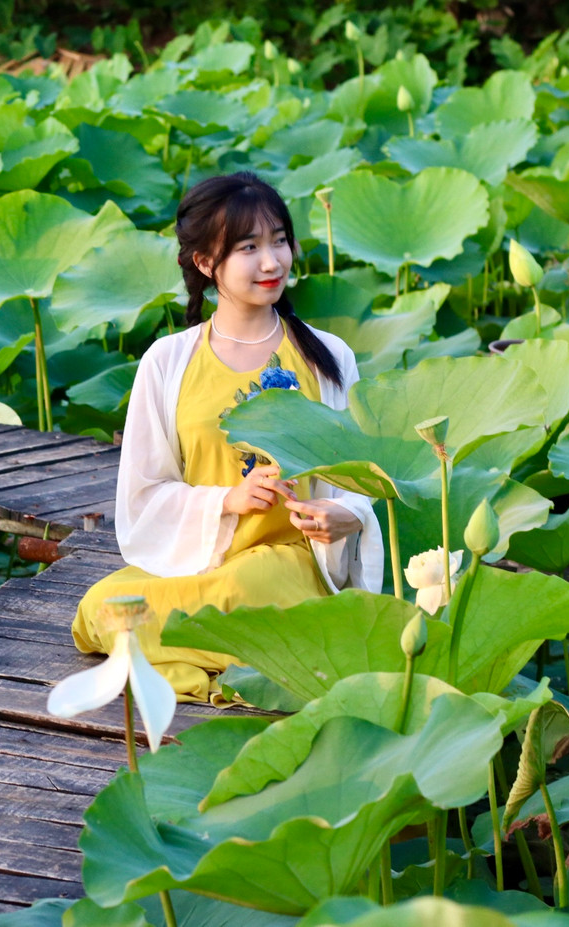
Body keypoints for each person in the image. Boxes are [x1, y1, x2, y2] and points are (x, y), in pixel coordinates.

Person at [72, 173, 383, 702]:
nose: (272, 262)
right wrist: (227, 500)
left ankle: (189, 661)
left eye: (280, 241)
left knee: (250, 585)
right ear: (204, 263)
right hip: (203, 562)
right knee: (102, 607)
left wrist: (347, 515)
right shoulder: (167, 362)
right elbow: (145, 496)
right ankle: (230, 663)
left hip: (287, 566)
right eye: (249, 247)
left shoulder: (328, 359)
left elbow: (369, 475)